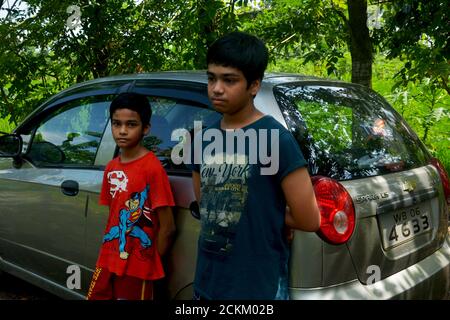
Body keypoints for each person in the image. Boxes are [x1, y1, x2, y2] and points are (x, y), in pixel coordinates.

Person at [189, 32, 321, 300]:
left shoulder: (277, 140)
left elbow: (309, 218)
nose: (216, 88)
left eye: (229, 80)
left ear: (254, 86)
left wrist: (267, 212)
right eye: (212, 78)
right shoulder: (200, 139)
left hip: (258, 286)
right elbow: (206, 204)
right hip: (208, 282)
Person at [87, 92, 176, 300]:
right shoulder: (111, 167)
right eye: (117, 124)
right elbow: (113, 216)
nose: (123, 131)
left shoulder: (152, 168)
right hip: (108, 260)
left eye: (131, 124)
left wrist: (148, 261)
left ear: (145, 128)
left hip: (138, 269)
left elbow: (168, 228)